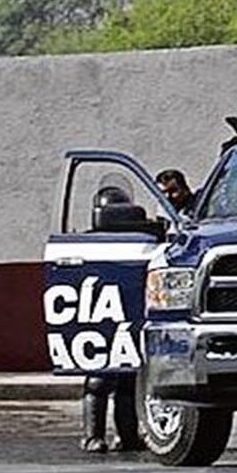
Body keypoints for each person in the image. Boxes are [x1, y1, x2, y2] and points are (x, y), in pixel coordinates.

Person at [82, 186, 142, 454]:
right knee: (99, 379)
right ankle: (92, 435)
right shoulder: (88, 244)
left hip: (128, 314)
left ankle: (127, 435)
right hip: (101, 315)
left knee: (128, 378)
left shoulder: (139, 241)